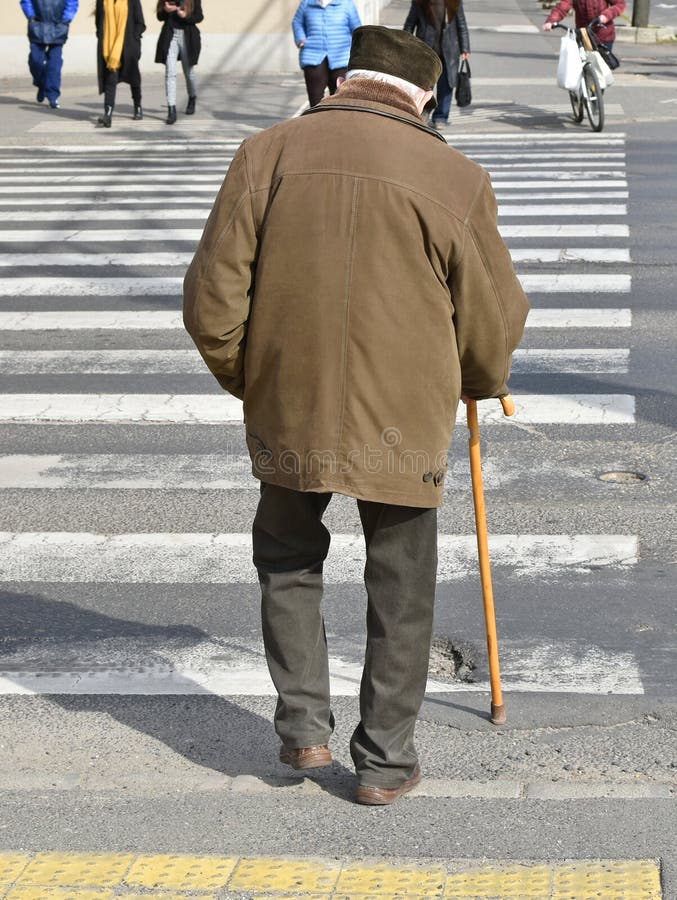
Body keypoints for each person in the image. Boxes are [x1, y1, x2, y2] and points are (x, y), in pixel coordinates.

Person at [184, 25, 529, 806]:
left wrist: (257, 380)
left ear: (345, 78)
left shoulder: (263, 155)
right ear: (424, 98)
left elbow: (211, 305)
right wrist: (479, 378)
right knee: (401, 587)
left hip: (288, 401)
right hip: (403, 412)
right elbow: (490, 322)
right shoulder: (454, 176)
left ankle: (303, 728)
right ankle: (381, 763)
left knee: (286, 559)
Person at [404, 0, 469, 129]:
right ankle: (423, 113)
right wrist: (405, 45)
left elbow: (461, 24)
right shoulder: (419, 3)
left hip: (449, 51)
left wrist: (465, 48)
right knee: (424, 86)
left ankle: (441, 117)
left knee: (446, 86)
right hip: (426, 50)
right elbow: (410, 24)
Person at [292, 0, 361, 108]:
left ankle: (337, 124)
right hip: (312, 55)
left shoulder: (347, 4)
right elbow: (297, 22)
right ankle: (317, 123)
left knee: (339, 99)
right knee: (315, 101)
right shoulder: (307, 3)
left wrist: (357, 50)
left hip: (341, 58)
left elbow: (357, 29)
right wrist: (300, 38)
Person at [19, 0, 79, 110]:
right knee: (35, 60)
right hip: (37, 25)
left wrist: (66, 19)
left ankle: (52, 96)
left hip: (58, 26)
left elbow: (72, 3)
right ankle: (41, 83)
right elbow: (26, 1)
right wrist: (31, 16)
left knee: (54, 65)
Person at [95, 0, 145, 127]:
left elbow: (140, 23)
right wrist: (102, 37)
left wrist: (134, 37)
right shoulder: (102, 1)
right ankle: (108, 114)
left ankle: (137, 106)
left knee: (134, 78)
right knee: (110, 80)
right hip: (110, 47)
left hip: (128, 45)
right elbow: (99, 22)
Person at [155, 0, 204, 126]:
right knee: (170, 73)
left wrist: (185, 16)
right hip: (170, 35)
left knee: (189, 73)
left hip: (187, 36)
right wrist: (166, 11)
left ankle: (192, 97)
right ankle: (171, 109)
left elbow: (199, 16)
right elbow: (159, 16)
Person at [543, 0, 626, 50]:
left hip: (603, 35)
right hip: (583, 35)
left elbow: (620, 4)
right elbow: (563, 6)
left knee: (602, 70)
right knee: (581, 68)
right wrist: (551, 21)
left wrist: (606, 16)